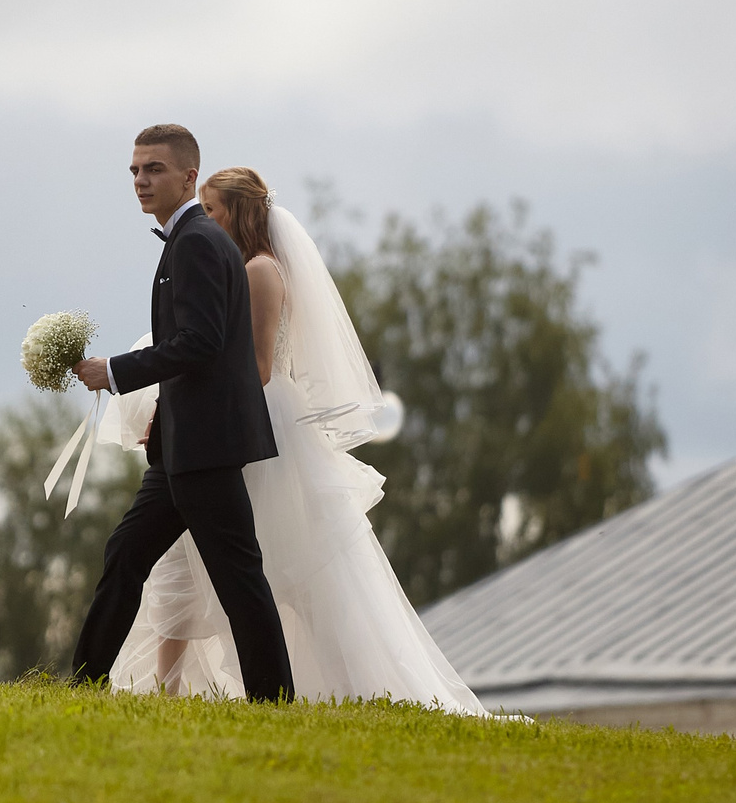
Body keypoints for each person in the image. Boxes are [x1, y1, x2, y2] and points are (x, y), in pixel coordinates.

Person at [100, 166, 490, 712]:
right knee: (181, 560)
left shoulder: (261, 271)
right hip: (208, 426)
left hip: (255, 423)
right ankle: (167, 688)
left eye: (212, 209)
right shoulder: (226, 265)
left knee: (276, 571)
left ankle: (328, 685)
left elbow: (257, 366)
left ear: (236, 212)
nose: (204, 219)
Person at [68, 125, 297, 702]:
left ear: (189, 175)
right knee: (127, 554)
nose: (141, 180)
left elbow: (201, 342)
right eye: (135, 171)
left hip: (207, 448)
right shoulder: (190, 240)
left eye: (155, 169)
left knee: (238, 577)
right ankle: (82, 684)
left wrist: (114, 372)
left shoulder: (196, 242)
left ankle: (274, 699)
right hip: (184, 448)